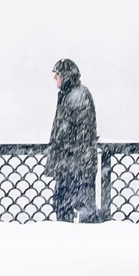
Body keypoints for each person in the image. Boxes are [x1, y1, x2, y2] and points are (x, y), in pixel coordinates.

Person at [45, 58, 106, 222]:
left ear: (65, 76)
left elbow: (79, 132)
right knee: (70, 205)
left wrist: (63, 149)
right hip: (73, 164)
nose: (54, 78)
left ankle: (76, 234)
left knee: (74, 207)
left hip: (75, 165)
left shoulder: (77, 96)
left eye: (57, 74)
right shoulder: (72, 95)